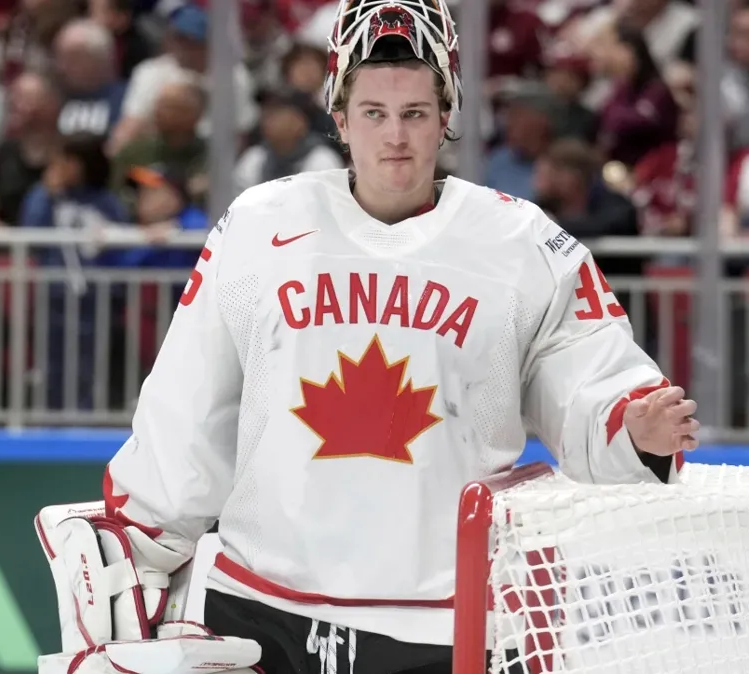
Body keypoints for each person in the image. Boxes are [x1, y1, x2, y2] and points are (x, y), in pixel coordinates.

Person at [75, 1, 698, 672]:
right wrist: (140, 535)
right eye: (373, 113)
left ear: (446, 117)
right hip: (259, 607)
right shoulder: (259, 225)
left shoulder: (521, 244)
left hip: (438, 620)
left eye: (415, 114)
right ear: (340, 118)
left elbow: (589, 379)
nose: (394, 136)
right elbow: (190, 401)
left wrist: (631, 429)